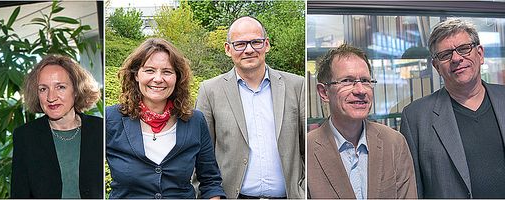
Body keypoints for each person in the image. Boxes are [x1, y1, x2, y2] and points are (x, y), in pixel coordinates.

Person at [195, 16, 306, 198]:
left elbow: (307, 149)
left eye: (256, 42)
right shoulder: (210, 90)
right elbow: (201, 155)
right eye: (240, 44)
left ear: (267, 45)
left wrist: (304, 191)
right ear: (228, 49)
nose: (249, 50)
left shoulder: (297, 86)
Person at [106, 38, 225, 199]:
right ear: (136, 75)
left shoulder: (194, 121)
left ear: (177, 78)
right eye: (149, 70)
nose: (158, 78)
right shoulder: (110, 120)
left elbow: (210, 181)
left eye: (167, 72)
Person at [400, 18, 505, 198]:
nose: (456, 58)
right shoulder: (416, 118)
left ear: (480, 54)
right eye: (445, 54)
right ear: (436, 66)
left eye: (464, 49)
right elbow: (413, 190)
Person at [307, 44, 417, 199]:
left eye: (365, 81)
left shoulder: (394, 143)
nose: (360, 90)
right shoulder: (306, 149)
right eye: (347, 80)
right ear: (324, 92)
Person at [11, 54, 103, 198]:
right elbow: (19, 194)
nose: (51, 97)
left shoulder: (101, 130)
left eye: (60, 87)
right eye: (43, 89)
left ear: (77, 89)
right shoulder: (25, 136)